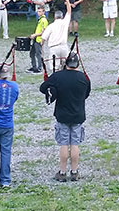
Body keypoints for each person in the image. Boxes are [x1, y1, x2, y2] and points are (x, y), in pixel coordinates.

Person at [39, 53, 91, 182]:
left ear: (66, 64)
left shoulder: (58, 76)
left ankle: (62, 172)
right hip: (78, 114)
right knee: (75, 144)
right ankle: (74, 171)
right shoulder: (84, 78)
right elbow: (86, 94)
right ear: (77, 64)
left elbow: (42, 88)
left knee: (63, 144)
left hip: (62, 115)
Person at [39, 0, 73, 70]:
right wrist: (68, 2)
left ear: (55, 17)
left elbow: (44, 38)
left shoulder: (51, 26)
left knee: (55, 67)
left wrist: (41, 46)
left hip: (54, 48)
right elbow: (69, 12)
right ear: (62, 16)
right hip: (64, 47)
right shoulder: (65, 22)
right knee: (66, 65)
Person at [27, 7, 49, 74]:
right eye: (38, 11)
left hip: (39, 39)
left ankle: (39, 68)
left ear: (43, 12)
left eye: (40, 11)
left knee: (38, 54)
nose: (38, 13)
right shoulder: (40, 20)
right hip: (36, 39)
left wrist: (35, 35)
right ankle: (34, 67)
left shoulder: (44, 20)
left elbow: (44, 32)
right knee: (32, 53)